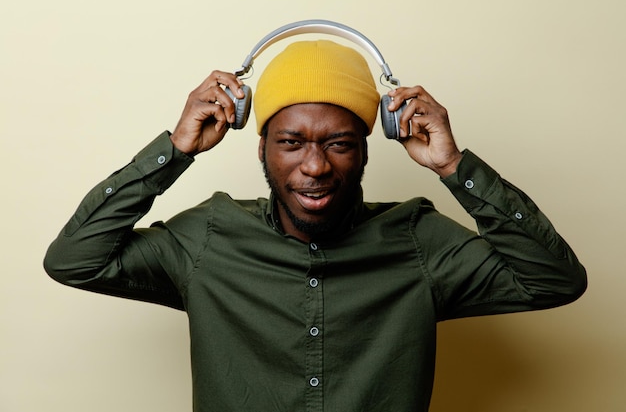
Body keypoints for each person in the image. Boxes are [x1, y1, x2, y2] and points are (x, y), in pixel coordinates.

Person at [44, 39, 587, 412]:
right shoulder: (208, 237)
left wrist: (453, 167)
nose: (314, 166)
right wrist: (176, 150)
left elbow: (555, 280)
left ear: (366, 151)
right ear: (261, 147)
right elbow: (74, 260)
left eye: (339, 144)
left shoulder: (420, 240)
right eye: (291, 142)